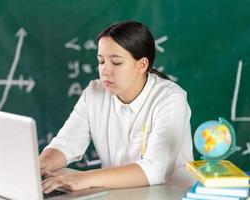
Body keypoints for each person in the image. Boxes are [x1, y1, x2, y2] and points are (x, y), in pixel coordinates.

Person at [39, 21, 194, 194]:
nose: (105, 70)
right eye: (101, 61)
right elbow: (66, 143)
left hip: (169, 195)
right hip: (117, 194)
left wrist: (84, 178)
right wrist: (42, 164)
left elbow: (155, 169)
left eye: (116, 62)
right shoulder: (94, 92)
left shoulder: (170, 98)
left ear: (141, 65)